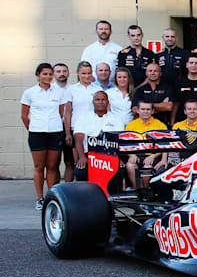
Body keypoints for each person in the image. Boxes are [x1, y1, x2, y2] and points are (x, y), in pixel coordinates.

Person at [22, 63, 68, 209]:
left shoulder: (59, 92)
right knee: (39, 166)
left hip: (55, 132)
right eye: (44, 74)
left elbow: (62, 113)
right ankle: (40, 198)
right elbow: (24, 115)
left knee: (53, 166)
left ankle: (52, 196)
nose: (48, 77)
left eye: (50, 74)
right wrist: (34, 128)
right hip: (37, 133)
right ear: (38, 75)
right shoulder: (29, 92)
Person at [71, 90, 125, 184]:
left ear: (108, 102)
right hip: (90, 154)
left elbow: (119, 140)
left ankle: (113, 196)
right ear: (93, 102)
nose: (100, 102)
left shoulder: (116, 119)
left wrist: (117, 158)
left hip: (110, 155)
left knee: (120, 171)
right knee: (81, 172)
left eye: (103, 100)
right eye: (97, 99)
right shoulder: (83, 117)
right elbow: (78, 139)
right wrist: (82, 157)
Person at [64, 61, 101, 181]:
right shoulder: (71, 90)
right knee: (78, 163)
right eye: (83, 73)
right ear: (78, 73)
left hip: (94, 129)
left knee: (95, 162)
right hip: (77, 129)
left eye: (89, 73)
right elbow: (68, 112)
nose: (86, 76)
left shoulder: (97, 89)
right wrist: (68, 133)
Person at [124, 100, 169, 187]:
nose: (145, 111)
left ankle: (146, 192)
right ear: (137, 110)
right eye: (143, 109)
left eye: (148, 109)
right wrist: (131, 155)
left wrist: (153, 156)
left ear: (152, 111)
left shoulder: (160, 125)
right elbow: (126, 144)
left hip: (154, 155)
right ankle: (137, 190)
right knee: (130, 165)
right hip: (137, 155)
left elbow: (165, 145)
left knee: (147, 167)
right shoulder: (131, 125)